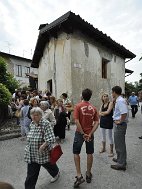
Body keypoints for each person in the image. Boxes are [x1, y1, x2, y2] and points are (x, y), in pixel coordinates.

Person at [24, 107, 60, 189]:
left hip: (43, 152)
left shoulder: (45, 123)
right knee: (31, 174)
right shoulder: (32, 123)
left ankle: (56, 173)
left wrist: (43, 146)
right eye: (32, 115)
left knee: (49, 165)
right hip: (32, 153)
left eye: (36, 115)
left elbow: (51, 138)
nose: (33, 117)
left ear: (41, 115)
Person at [73, 89, 99, 188]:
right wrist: (90, 133)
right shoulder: (94, 108)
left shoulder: (78, 106)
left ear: (82, 96)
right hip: (89, 134)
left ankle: (79, 175)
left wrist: (83, 133)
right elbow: (97, 122)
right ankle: (88, 174)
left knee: (76, 153)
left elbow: (76, 121)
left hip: (80, 133)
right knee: (89, 153)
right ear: (90, 96)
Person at [111, 86, 128, 171]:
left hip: (120, 125)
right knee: (118, 143)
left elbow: (124, 113)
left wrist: (120, 121)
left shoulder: (120, 101)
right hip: (119, 124)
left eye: (112, 92)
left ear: (114, 92)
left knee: (120, 144)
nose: (111, 94)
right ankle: (120, 159)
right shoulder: (119, 100)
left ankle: (121, 164)